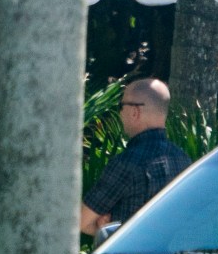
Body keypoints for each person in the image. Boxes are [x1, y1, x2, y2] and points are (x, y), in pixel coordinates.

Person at [80, 78, 192, 236]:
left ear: (134, 111)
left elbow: (80, 220)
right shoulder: (185, 162)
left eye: (121, 106)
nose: (120, 112)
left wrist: (104, 228)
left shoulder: (127, 163)